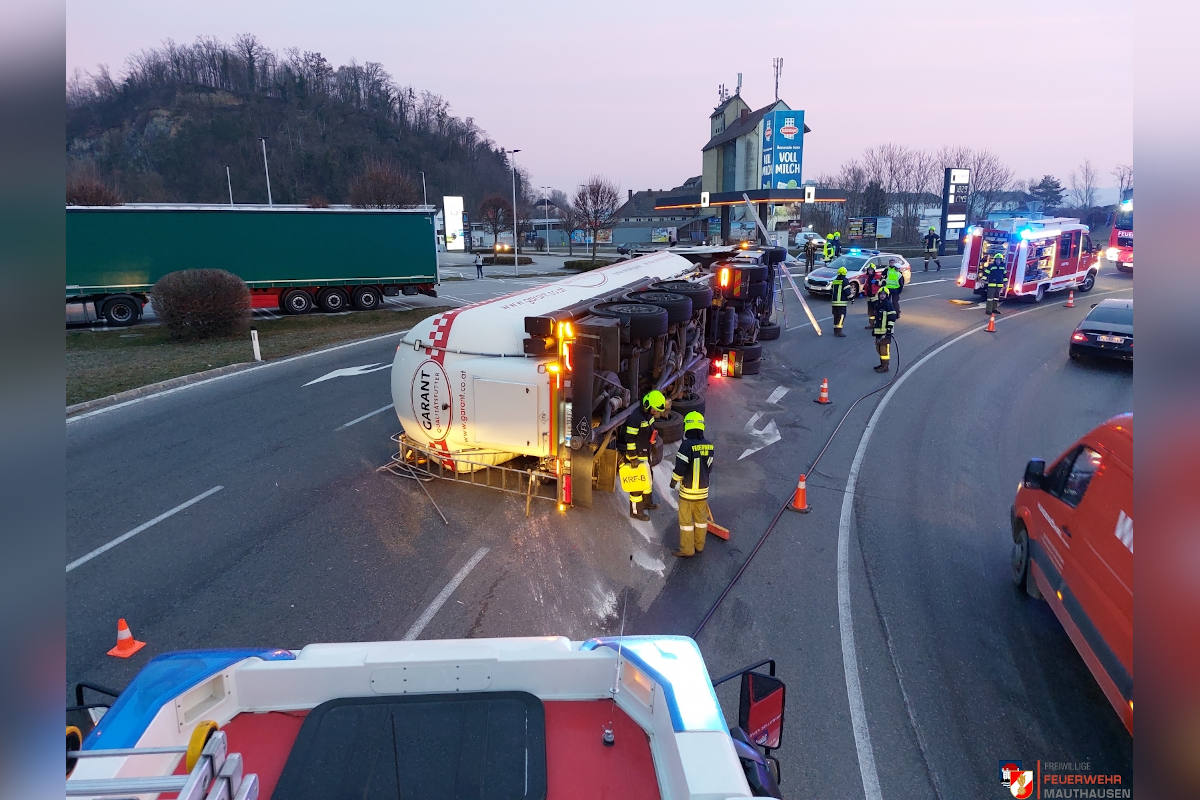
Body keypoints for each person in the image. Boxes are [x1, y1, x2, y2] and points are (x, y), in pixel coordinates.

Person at [669, 411, 716, 558]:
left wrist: (674, 481)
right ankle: (699, 545)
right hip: (703, 492)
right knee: (701, 521)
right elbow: (709, 467)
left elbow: (680, 467)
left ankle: (687, 549)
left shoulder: (686, 446)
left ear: (687, 427)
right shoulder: (709, 446)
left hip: (687, 493)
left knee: (686, 523)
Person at [620, 389, 668, 520]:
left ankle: (647, 503)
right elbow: (629, 438)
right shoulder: (635, 418)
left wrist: (653, 445)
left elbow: (651, 431)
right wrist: (633, 457)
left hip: (645, 453)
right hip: (635, 456)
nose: (656, 413)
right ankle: (636, 512)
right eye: (655, 410)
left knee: (648, 480)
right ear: (647, 405)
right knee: (637, 486)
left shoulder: (648, 416)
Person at [872, 286, 897, 372]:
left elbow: (892, 318)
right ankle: (882, 364)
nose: (882, 296)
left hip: (886, 332)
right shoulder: (878, 304)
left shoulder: (888, 305)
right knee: (878, 348)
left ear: (887, 295)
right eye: (881, 294)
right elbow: (877, 319)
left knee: (884, 350)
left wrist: (889, 330)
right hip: (878, 331)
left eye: (884, 294)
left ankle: (885, 367)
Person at [830, 265, 851, 336]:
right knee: (841, 317)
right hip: (841, 303)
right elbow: (847, 292)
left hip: (834, 303)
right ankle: (839, 332)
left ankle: (835, 331)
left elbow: (831, 290)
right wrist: (852, 298)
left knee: (836, 316)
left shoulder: (835, 281)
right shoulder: (845, 281)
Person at [863, 264, 881, 330]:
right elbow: (866, 285)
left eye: (871, 270)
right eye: (869, 270)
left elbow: (882, 283)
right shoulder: (867, 276)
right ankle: (871, 325)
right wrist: (863, 291)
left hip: (875, 296)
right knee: (870, 312)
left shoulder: (877, 276)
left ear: (874, 270)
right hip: (869, 296)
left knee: (876, 311)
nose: (870, 271)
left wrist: (876, 282)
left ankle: (878, 324)